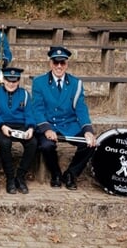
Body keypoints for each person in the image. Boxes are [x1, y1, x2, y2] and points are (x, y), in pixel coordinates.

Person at [32, 46, 98, 190]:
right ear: (50, 63)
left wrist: (87, 130)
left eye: (62, 62)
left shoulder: (76, 83)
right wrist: (46, 129)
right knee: (46, 145)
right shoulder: (39, 82)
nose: (59, 66)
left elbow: (81, 108)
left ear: (67, 64)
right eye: (56, 62)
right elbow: (37, 109)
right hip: (48, 124)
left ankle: (71, 174)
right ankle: (55, 174)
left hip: (69, 125)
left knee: (90, 144)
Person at [0, 67, 37, 194]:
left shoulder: (25, 94)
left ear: (18, 81)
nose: (11, 83)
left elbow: (29, 113)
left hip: (21, 125)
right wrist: (2, 126)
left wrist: (30, 128)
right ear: (3, 80)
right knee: (5, 143)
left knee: (33, 143)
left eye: (14, 81)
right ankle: (10, 177)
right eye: (8, 80)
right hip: (3, 125)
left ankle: (20, 176)